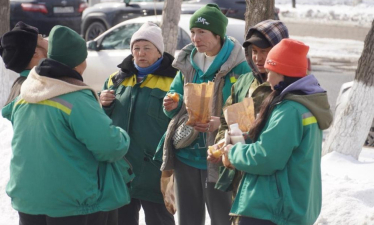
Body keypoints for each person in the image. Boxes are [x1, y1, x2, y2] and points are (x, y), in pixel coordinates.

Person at [1, 25, 131, 225]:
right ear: (79, 61)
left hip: (27, 198)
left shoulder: (25, 94)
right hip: (67, 202)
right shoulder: (75, 98)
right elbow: (110, 147)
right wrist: (122, 134)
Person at [224, 38, 333, 225]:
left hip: (273, 210)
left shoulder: (289, 110)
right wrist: (247, 139)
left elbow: (266, 157)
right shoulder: (305, 104)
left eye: (271, 72)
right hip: (290, 205)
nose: (267, 78)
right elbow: (279, 145)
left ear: (284, 73)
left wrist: (233, 152)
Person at [161, 4, 251, 225]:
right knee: (188, 219)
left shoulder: (239, 68)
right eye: (192, 32)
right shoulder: (188, 63)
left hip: (219, 158)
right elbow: (175, 94)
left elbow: (249, 115)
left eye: (202, 32)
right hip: (186, 156)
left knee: (223, 219)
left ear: (218, 34)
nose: (195, 37)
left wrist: (221, 123)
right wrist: (172, 102)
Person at [99, 21, 177, 225]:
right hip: (122, 169)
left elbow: (183, 120)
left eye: (147, 48)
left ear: (159, 52)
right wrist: (103, 103)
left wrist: (177, 106)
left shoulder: (174, 80)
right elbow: (101, 121)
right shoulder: (115, 80)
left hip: (155, 169)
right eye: (136, 48)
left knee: (160, 220)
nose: (140, 53)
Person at [211, 20, 290, 201]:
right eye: (254, 51)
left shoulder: (286, 88)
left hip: (270, 181)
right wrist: (221, 145)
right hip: (239, 177)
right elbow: (226, 122)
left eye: (264, 51)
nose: (258, 58)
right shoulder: (243, 82)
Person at [0, 21, 48, 105]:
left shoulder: (21, 84)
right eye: (42, 38)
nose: (47, 40)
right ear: (35, 53)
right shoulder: (38, 89)